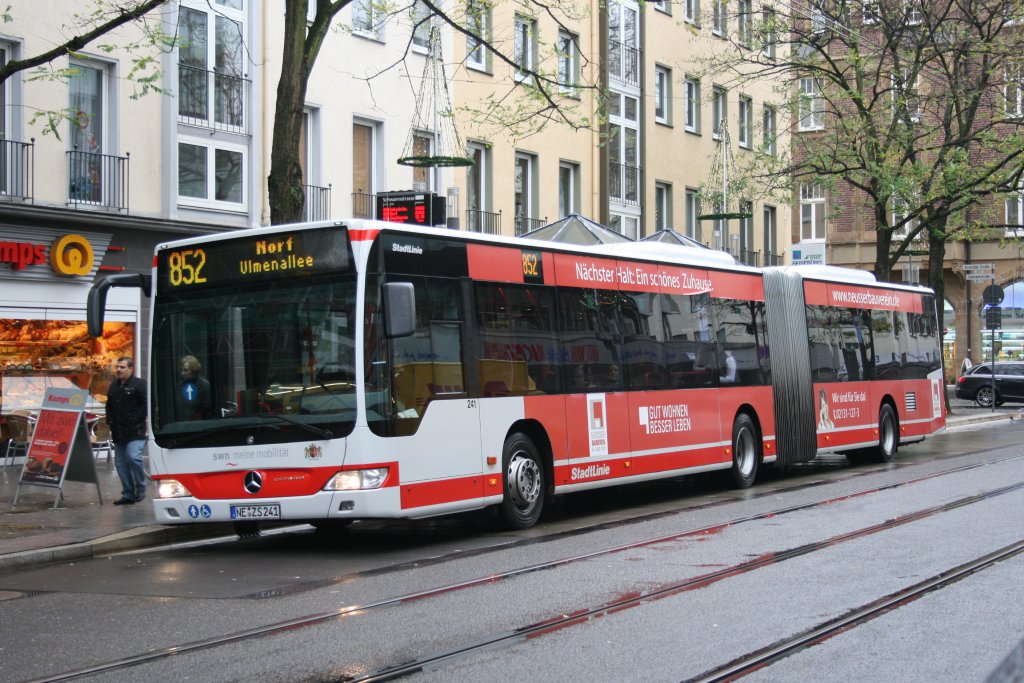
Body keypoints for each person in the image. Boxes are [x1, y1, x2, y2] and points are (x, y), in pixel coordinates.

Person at [105, 356, 148, 505]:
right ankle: (128, 494)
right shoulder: (113, 386)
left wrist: (135, 418)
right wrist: (110, 420)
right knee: (121, 464)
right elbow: (109, 406)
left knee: (133, 457)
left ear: (131, 369)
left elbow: (145, 405)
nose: (118, 370)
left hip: (135, 431)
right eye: (117, 367)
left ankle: (141, 487)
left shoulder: (139, 384)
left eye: (122, 367)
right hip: (119, 431)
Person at [176, 355, 212, 420]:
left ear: (194, 370)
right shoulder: (179, 386)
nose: (182, 373)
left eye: (185, 370)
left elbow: (208, 410)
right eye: (181, 370)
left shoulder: (204, 385)